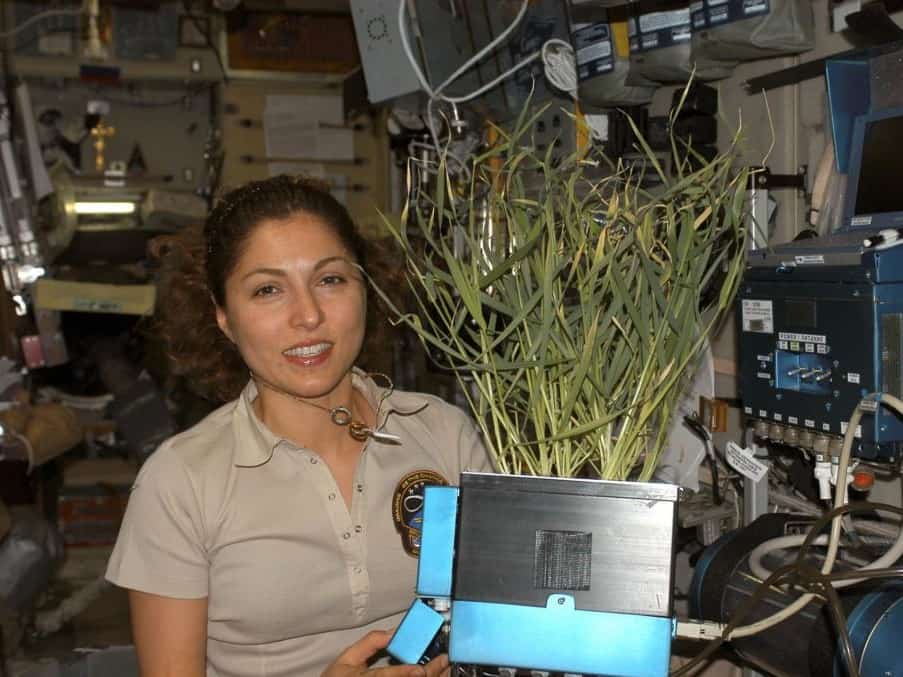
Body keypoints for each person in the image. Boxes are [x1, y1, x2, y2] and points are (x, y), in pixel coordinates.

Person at [105, 175, 494, 677]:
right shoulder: (181, 482)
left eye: (330, 280)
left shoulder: (442, 434)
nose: (308, 315)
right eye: (268, 290)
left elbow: (493, 629)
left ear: (366, 290)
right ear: (223, 317)